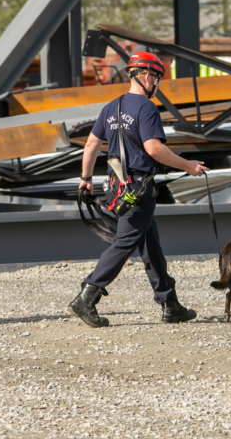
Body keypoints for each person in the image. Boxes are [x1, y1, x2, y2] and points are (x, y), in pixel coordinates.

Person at [69, 51, 209, 328]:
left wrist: (85, 178)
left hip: (116, 187)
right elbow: (153, 149)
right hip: (138, 189)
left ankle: (170, 304)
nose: (157, 84)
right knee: (124, 243)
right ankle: (87, 295)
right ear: (145, 76)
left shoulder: (111, 107)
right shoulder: (146, 108)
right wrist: (187, 165)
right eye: (157, 77)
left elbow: (91, 145)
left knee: (150, 245)